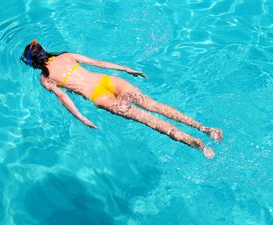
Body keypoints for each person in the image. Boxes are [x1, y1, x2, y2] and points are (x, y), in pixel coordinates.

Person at [21, 39, 223, 158]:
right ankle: (205, 129)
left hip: (100, 96)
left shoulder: (45, 79)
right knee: (154, 105)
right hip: (110, 81)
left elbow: (64, 98)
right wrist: (125, 68)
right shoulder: (65, 56)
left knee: (149, 120)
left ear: (33, 63)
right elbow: (98, 63)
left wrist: (82, 118)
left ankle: (198, 144)